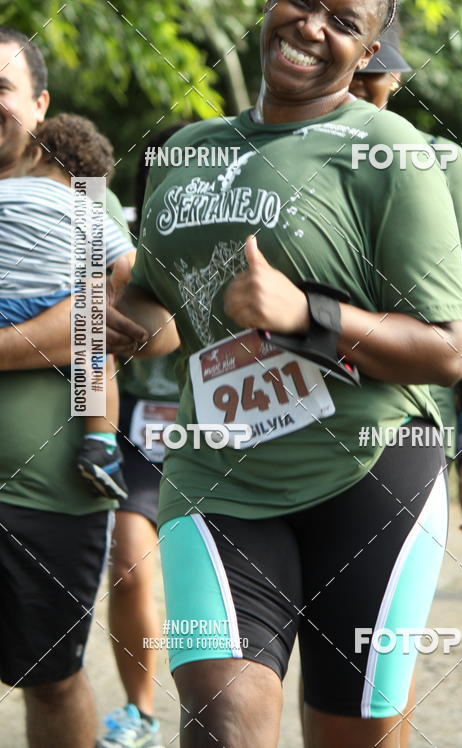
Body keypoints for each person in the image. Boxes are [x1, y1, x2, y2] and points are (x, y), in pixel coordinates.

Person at [107, 0, 462, 748]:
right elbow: (163, 311)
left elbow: (449, 349)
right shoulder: (185, 153)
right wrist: (129, 325)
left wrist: (307, 313)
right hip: (219, 481)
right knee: (223, 725)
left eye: (343, 21)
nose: (312, 27)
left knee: (352, 737)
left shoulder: (392, 153)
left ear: (370, 46)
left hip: (370, 477)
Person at [349, 33, 462, 747]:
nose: (363, 89)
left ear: (398, 79)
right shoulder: (275, 150)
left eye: (377, 78)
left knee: (379, 667)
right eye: (355, 77)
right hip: (272, 437)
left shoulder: (439, 162)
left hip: (403, 430)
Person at [0, 25, 134, 748]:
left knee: (51, 677)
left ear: (39, 106)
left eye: (1, 89)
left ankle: (98, 442)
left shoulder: (85, 199)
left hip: (48, 496)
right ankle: (101, 440)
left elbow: (144, 324)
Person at [98, 128, 187, 748]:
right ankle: (141, 714)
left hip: (221, 441)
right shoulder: (116, 250)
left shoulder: (246, 244)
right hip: (133, 439)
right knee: (130, 569)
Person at [0, 113, 133, 500]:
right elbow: (128, 264)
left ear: (37, 154)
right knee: (97, 344)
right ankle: (100, 446)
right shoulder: (86, 209)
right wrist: (110, 291)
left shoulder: (7, 190)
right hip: (49, 308)